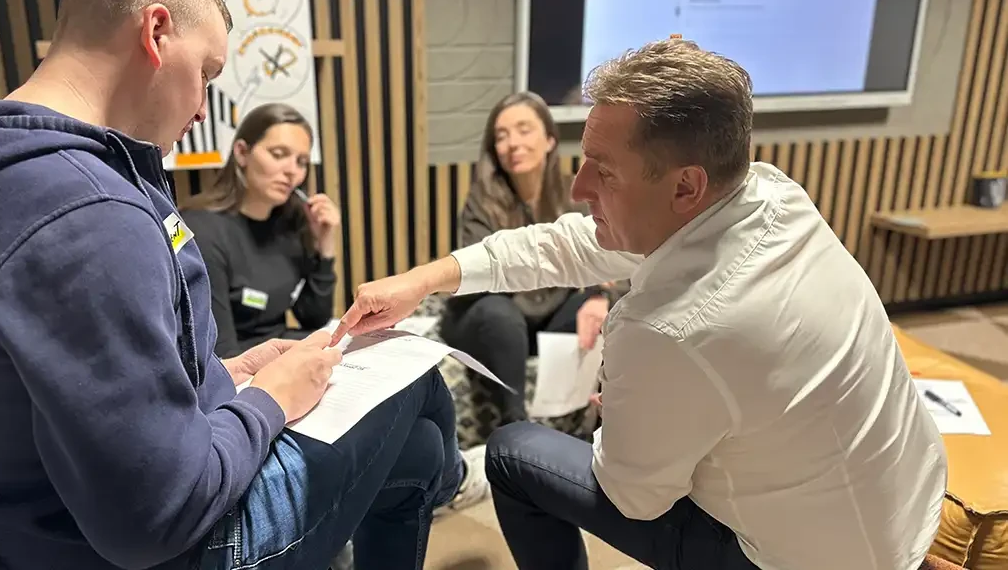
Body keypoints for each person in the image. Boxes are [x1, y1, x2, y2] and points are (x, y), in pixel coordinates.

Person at [0, 0, 464, 570]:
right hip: (169, 548)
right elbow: (157, 519)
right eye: (206, 73)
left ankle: (443, 474)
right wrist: (270, 399)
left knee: (417, 453)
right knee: (415, 379)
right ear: (155, 32)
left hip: (32, 533)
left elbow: (76, 389)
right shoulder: (86, 214)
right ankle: (456, 481)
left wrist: (225, 376)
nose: (203, 108)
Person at [331, 39, 948, 570]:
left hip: (810, 558)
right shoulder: (770, 193)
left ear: (685, 185)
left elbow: (635, 497)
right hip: (905, 503)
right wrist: (424, 279)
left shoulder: (666, 331)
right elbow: (570, 243)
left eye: (603, 172)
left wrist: (626, 416)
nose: (579, 188)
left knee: (512, 453)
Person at [442, 91, 618, 425]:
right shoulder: (482, 201)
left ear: (550, 139)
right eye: (501, 136)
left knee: (606, 308)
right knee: (501, 313)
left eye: (524, 130)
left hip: (543, 316)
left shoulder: (574, 195)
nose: (513, 143)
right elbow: (486, 280)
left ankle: (591, 419)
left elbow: (605, 259)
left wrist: (598, 296)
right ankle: (516, 426)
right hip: (489, 318)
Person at [181, 103, 339, 358]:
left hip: (281, 351)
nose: (292, 171)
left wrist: (325, 248)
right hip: (239, 366)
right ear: (242, 153)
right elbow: (222, 355)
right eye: (278, 154)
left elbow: (313, 318)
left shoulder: (292, 222)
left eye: (301, 161)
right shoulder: (202, 230)